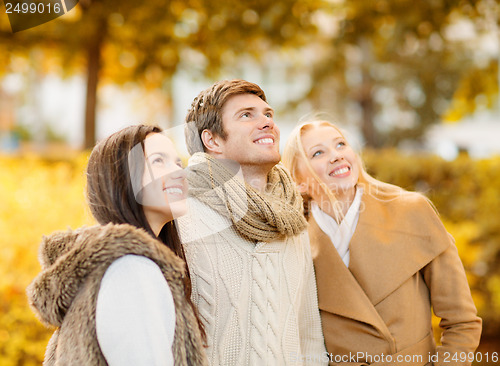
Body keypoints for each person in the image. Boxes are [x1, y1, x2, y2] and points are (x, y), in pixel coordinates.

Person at [282, 120, 482, 366]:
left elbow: (462, 322)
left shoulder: (411, 211)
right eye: (318, 153)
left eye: (341, 144)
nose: (336, 156)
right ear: (299, 181)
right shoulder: (293, 244)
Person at [27, 125, 207, 366]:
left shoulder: (116, 266)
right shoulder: (132, 270)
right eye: (159, 161)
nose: (179, 173)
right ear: (122, 178)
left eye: (178, 163)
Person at [178, 79, 327, 365]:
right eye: (247, 115)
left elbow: (309, 334)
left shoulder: (293, 220)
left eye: (268, 114)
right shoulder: (182, 217)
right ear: (212, 140)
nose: (266, 122)